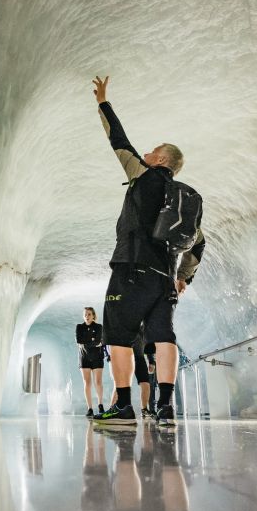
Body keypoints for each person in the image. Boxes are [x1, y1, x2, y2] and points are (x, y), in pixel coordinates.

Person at [91, 75, 206, 427]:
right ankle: (166, 406)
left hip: (131, 269)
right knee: (162, 337)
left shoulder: (142, 176)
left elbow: (119, 140)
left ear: (159, 158)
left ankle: (124, 406)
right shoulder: (182, 197)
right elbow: (198, 242)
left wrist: (103, 102)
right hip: (163, 278)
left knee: (120, 336)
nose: (146, 152)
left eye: (152, 150)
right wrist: (183, 277)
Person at [76, 307, 106, 417]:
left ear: (93, 316)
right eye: (85, 314)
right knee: (87, 383)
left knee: (98, 382)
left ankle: (100, 405)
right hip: (84, 357)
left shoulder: (99, 327)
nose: (87, 316)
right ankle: (90, 408)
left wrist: (88, 342)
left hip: (97, 357)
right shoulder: (79, 327)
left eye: (89, 314)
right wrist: (93, 342)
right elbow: (79, 341)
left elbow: (99, 341)